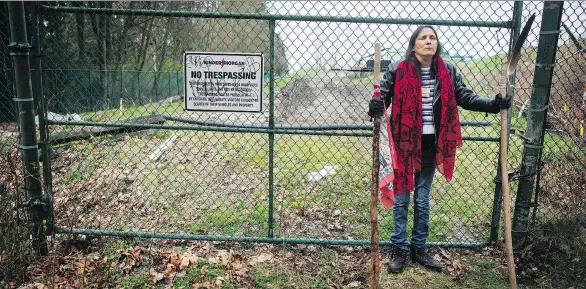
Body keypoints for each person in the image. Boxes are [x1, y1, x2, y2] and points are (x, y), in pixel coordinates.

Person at [367, 25, 511, 273]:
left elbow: (465, 97)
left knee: (422, 199)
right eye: (423, 38)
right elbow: (383, 100)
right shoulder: (397, 70)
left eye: (432, 37)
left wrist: (493, 104)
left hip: (431, 145)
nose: (428, 41)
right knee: (401, 199)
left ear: (437, 44)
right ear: (414, 45)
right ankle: (399, 249)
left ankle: (418, 249)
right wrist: (375, 105)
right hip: (402, 144)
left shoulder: (448, 71)